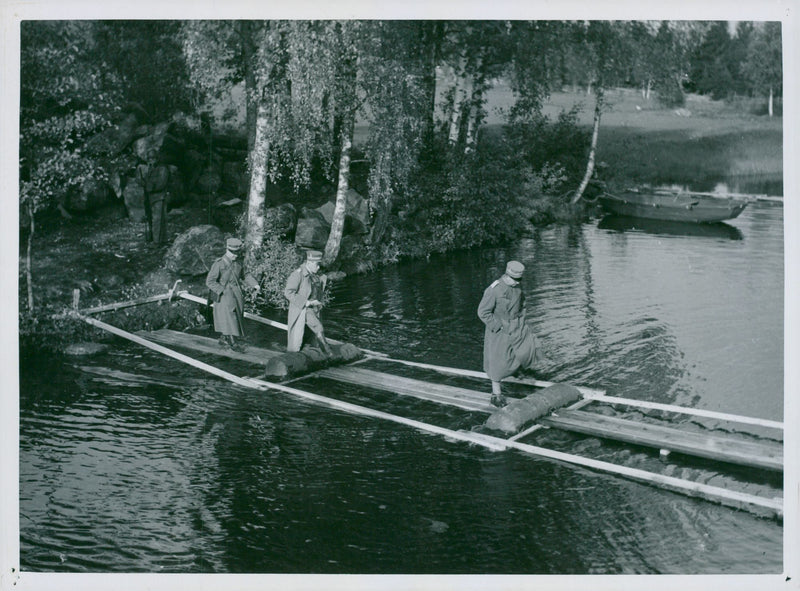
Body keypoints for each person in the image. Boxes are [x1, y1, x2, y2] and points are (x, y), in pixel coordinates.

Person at [477, 260, 539, 407]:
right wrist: (497, 326)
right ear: (506, 275)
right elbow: (482, 312)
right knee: (497, 361)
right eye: (515, 280)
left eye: (519, 280)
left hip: (515, 326)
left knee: (523, 350)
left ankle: (515, 373)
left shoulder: (517, 287)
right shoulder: (494, 290)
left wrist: (521, 321)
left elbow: (522, 305)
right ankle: (496, 394)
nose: (517, 283)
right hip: (499, 330)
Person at [206, 237, 260, 352]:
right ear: (227, 250)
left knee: (237, 316)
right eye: (233, 252)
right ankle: (233, 343)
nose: (235, 255)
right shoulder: (219, 264)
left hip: (237, 294)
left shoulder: (239, 262)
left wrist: (255, 285)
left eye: (237, 252)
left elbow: (245, 275)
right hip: (224, 295)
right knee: (230, 317)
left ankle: (224, 338)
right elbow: (210, 281)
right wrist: (222, 291)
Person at [284, 250, 333, 356]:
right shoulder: (297, 275)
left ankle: (308, 353)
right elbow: (288, 292)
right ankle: (328, 352)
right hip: (302, 309)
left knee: (309, 334)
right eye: (317, 264)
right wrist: (306, 303)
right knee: (317, 327)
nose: (319, 267)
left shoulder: (316, 275)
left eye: (319, 264)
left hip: (314, 308)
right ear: (309, 263)